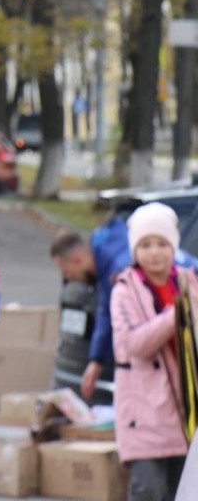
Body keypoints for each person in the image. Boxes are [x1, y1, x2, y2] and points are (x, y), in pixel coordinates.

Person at [111, 202, 198, 501]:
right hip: (144, 413)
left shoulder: (189, 282)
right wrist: (176, 314)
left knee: (182, 492)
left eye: (162, 243)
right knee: (149, 490)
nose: (154, 252)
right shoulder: (124, 290)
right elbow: (132, 345)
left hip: (187, 412)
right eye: (146, 244)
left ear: (173, 246)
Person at [51, 215, 133, 401]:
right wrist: (96, 359)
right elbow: (106, 309)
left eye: (67, 272)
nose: (68, 279)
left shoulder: (119, 268)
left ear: (77, 259)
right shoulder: (106, 258)